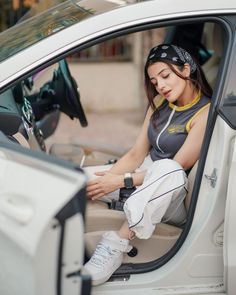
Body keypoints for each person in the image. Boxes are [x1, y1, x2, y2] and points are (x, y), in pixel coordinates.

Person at [83, 44, 212, 285]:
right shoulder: (160, 104)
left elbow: (178, 166)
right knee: (79, 180)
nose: (160, 85)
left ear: (186, 69)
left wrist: (122, 180)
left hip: (173, 196)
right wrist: (105, 181)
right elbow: (135, 154)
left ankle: (115, 246)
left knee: (167, 168)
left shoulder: (204, 113)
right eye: (154, 81)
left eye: (165, 76)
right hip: (142, 182)